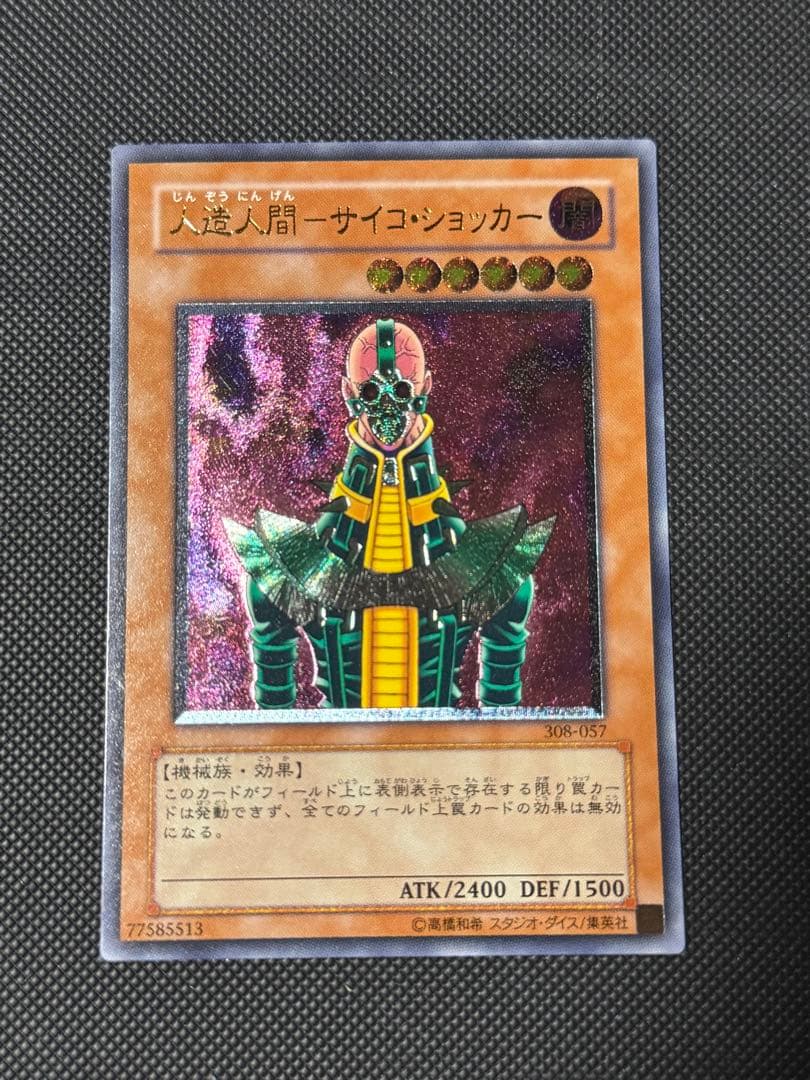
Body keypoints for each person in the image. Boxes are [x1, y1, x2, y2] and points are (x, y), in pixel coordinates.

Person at [225, 319, 554, 710]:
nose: (387, 406)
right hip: (342, 740)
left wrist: (499, 730)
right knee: (265, 585)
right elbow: (270, 600)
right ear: (350, 393)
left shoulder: (469, 559)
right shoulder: (312, 561)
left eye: (401, 390)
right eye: (370, 391)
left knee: (512, 584)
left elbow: (509, 598)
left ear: (424, 388)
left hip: (438, 741)